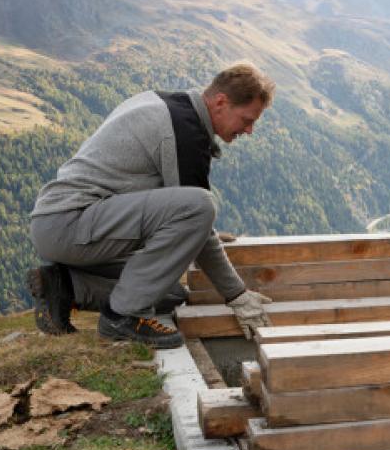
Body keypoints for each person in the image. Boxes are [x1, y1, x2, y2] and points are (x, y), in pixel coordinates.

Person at [26, 62, 276, 348]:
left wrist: (200, 234)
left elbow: (178, 218)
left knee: (169, 292)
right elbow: (195, 215)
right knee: (201, 206)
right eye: (247, 119)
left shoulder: (174, 106)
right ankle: (122, 317)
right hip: (70, 223)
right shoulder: (184, 132)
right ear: (221, 102)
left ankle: (66, 285)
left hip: (70, 224)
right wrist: (237, 295)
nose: (250, 130)